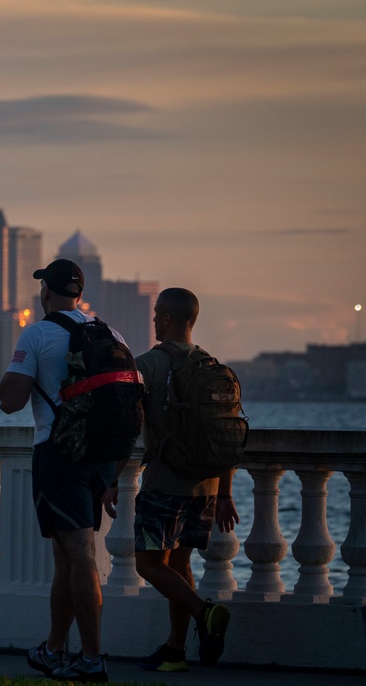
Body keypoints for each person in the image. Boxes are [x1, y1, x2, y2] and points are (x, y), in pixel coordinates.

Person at [0, 258, 135, 684]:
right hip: (102, 459)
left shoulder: (37, 333)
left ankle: (92, 658)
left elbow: (11, 400)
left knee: (79, 553)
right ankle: (54, 649)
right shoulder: (111, 332)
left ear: (46, 293)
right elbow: (129, 404)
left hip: (60, 456)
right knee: (65, 555)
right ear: (79, 292)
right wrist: (113, 474)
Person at [102, 287, 238, 672]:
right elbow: (225, 435)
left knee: (148, 564)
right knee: (179, 565)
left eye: (157, 313)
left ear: (165, 318)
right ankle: (176, 651)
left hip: (165, 483)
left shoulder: (145, 365)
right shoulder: (213, 367)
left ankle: (203, 611)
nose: (153, 319)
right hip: (206, 487)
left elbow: (127, 429)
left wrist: (111, 479)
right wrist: (224, 493)